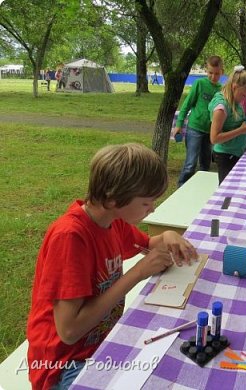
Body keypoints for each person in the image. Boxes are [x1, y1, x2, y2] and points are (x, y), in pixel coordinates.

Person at [26, 143, 198, 389]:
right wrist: (137, 273)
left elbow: (147, 243)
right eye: (146, 203)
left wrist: (168, 235)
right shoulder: (71, 237)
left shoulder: (113, 221)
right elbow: (69, 331)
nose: (153, 209)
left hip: (102, 341)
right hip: (63, 362)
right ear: (113, 199)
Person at [174, 56, 224, 187]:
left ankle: (199, 189)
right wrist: (179, 124)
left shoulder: (222, 90)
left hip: (210, 132)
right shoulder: (200, 84)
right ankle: (181, 187)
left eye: (217, 73)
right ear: (206, 71)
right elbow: (187, 104)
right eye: (210, 73)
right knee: (190, 164)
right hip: (195, 128)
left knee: (205, 164)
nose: (213, 77)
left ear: (222, 72)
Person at [209, 65, 246, 183]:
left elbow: (232, 121)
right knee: (227, 190)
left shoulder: (234, 100)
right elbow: (214, 138)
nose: (244, 99)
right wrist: (241, 130)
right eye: (243, 95)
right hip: (226, 155)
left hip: (235, 153)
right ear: (235, 87)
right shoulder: (221, 107)